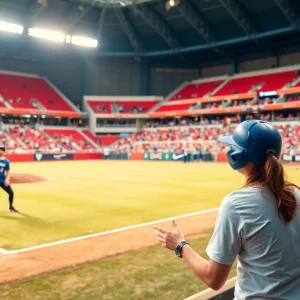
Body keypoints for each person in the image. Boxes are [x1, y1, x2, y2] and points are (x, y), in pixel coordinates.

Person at [154, 120, 300, 298]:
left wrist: (180, 245)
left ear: (240, 155)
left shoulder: (236, 204)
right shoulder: (296, 194)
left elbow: (214, 279)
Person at [0, 146, 18, 212]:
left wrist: (7, 179)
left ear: (4, 152)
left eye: (0, 150)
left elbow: (8, 172)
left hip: (2, 180)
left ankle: (11, 207)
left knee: (11, 193)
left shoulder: (6, 161)